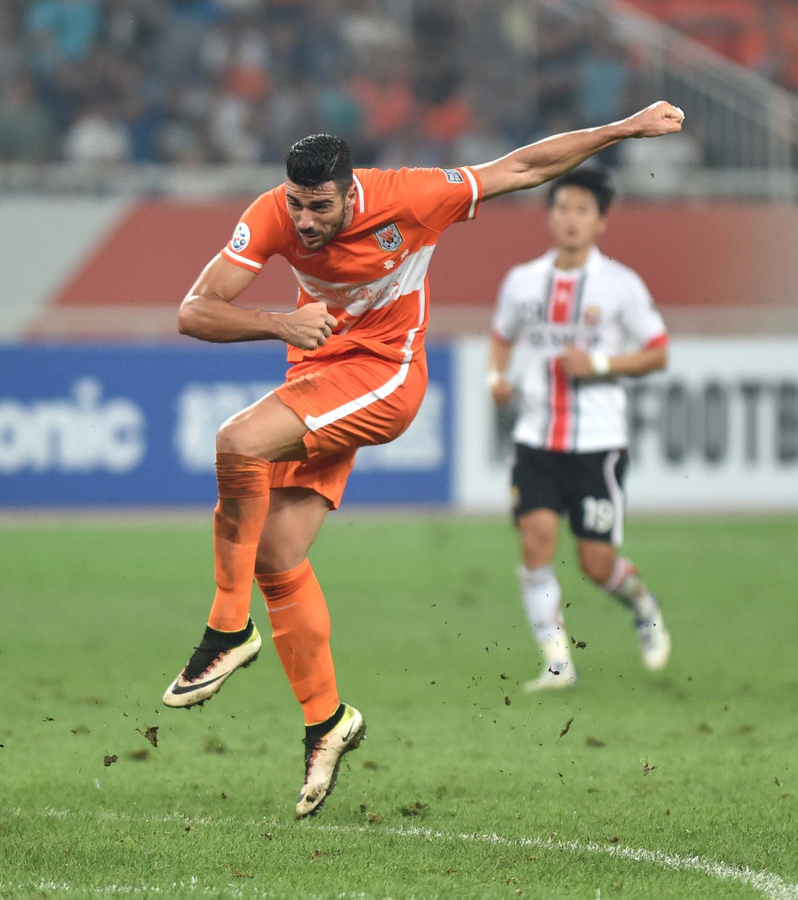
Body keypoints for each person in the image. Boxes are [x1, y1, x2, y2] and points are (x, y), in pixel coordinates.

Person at [161, 101, 685, 819]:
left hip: (385, 376)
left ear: (352, 191)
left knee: (236, 442)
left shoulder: (413, 196)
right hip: (315, 376)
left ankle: (227, 628)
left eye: (319, 206)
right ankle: (327, 722)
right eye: (296, 204)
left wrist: (622, 129)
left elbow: (525, 166)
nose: (305, 221)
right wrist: (280, 321)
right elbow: (194, 309)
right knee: (277, 554)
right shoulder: (274, 214)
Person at [486, 166, 671, 692]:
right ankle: (556, 662)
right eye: (562, 208)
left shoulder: (620, 284)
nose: (570, 219)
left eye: (582, 210)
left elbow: (658, 353)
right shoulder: (522, 280)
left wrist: (603, 365)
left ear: (600, 222)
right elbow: (501, 337)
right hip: (535, 438)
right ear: (549, 215)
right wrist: (495, 376)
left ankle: (641, 604)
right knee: (536, 537)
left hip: (597, 444)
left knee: (596, 562)